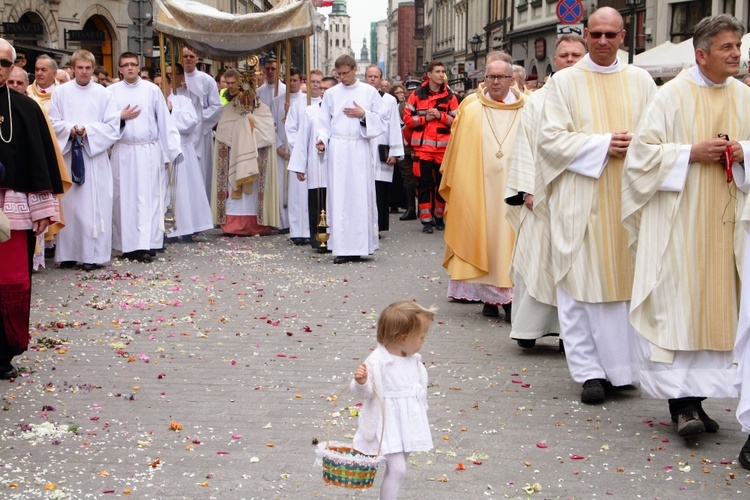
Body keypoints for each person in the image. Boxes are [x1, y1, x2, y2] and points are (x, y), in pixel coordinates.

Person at [623, 14, 750, 437]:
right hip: (678, 225)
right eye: (727, 47)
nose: (736, 54)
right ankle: (683, 405)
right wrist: (688, 153)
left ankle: (700, 401)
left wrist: (742, 150)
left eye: (738, 45)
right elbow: (640, 159)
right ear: (701, 53)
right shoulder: (670, 96)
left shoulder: (745, 96)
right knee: (679, 304)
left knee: (718, 308)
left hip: (727, 226)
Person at [536, 6, 656, 404]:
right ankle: (589, 372)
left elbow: (661, 137)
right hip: (581, 199)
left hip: (629, 199)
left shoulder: (642, 81)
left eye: (612, 35)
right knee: (579, 285)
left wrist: (635, 146)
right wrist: (602, 144)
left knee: (625, 286)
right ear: (585, 34)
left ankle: (622, 371)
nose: (603, 41)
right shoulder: (564, 82)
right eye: (597, 34)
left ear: (624, 37)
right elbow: (549, 140)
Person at [504, 34, 586, 347]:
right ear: (555, 57)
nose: (569, 60)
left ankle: (570, 333)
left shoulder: (591, 96)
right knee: (536, 261)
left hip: (581, 195)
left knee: (575, 268)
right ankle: (528, 328)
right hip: (541, 196)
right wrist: (525, 190)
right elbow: (523, 144)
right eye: (564, 55)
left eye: (576, 55)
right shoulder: (538, 100)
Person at [439, 59, 525, 320]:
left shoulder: (529, 107)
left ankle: (511, 299)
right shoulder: (472, 108)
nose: (496, 82)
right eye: (491, 77)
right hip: (478, 185)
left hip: (516, 185)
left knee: (510, 240)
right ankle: (488, 298)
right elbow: (458, 149)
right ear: (484, 79)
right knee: (481, 235)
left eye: (501, 77)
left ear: (512, 79)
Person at [0, 39, 64, 378]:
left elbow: (40, 161)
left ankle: (3, 353)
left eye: (3, 63)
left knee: (12, 282)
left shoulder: (25, 109)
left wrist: (43, 209)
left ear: (12, 68)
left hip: (13, 209)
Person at [350, 301, 436, 499]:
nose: (423, 341)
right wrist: (362, 382)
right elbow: (364, 393)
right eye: (421, 337)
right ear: (403, 338)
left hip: (405, 424)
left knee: (398, 467)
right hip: (386, 423)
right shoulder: (378, 360)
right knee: (398, 470)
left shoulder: (412, 359)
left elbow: (418, 389)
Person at [48, 49, 121, 271]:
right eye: (80, 68)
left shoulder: (103, 93)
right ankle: (68, 254)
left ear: (93, 69)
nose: (84, 72)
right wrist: (71, 129)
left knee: (94, 208)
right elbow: (52, 122)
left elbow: (112, 126)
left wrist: (87, 130)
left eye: (88, 68)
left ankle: (93, 255)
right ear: (73, 68)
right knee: (70, 207)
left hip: (94, 157)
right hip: (70, 155)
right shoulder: (60, 93)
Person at [108, 52, 182, 262]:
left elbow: (164, 122)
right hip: (123, 150)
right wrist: (119, 117)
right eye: (125, 65)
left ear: (139, 68)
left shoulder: (152, 90)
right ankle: (127, 245)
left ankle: (147, 243)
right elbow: (104, 120)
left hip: (148, 150)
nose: (130, 68)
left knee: (149, 198)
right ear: (120, 69)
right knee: (124, 199)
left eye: (133, 64)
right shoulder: (111, 92)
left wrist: (171, 151)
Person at [316, 54, 387, 264]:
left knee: (359, 196)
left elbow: (382, 120)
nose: (342, 78)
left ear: (355, 69)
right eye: (338, 74)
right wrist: (322, 140)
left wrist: (363, 114)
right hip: (338, 148)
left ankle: (359, 246)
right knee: (339, 197)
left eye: (345, 73)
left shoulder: (369, 92)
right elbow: (323, 123)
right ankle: (340, 247)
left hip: (359, 147)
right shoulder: (331, 94)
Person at [212, 68, 278, 236]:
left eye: (233, 83)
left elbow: (267, 132)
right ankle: (232, 223)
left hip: (256, 159)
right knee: (234, 194)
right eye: (227, 83)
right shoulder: (228, 109)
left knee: (254, 193)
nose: (229, 87)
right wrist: (240, 136)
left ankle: (258, 223)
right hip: (233, 156)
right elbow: (223, 133)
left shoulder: (261, 108)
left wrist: (248, 132)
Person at [403, 61, 458, 234]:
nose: (441, 74)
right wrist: (424, 119)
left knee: (441, 185)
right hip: (423, 150)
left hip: (443, 150)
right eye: (438, 71)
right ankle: (426, 220)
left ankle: (439, 217)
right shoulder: (416, 95)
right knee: (424, 185)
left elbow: (457, 122)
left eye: (443, 71)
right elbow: (407, 119)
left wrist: (441, 116)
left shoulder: (450, 97)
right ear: (429, 75)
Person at [164, 64, 214, 243]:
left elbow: (190, 122)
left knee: (184, 191)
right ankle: (166, 228)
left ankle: (186, 227)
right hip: (161, 153)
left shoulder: (183, 100)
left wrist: (170, 111)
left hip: (182, 149)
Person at [288, 75, 336, 251]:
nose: (323, 92)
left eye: (327, 89)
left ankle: (337, 239)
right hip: (316, 166)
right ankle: (319, 239)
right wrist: (300, 166)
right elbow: (302, 140)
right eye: (321, 89)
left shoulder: (342, 111)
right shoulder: (311, 111)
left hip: (336, 165)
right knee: (317, 201)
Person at [285, 69, 325, 246]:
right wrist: (300, 149)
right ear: (306, 83)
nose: (315, 85)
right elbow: (291, 129)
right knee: (298, 196)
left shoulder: (327, 103)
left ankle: (314, 231)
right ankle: (298, 231)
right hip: (303, 154)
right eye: (313, 81)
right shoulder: (299, 105)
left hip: (320, 156)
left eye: (318, 82)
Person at [365, 65, 404, 234]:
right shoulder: (359, 97)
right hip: (365, 147)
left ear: (381, 79)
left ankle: (378, 226)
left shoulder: (389, 100)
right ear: (365, 78)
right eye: (370, 76)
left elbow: (394, 126)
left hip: (381, 147)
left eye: (376, 76)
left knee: (380, 188)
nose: (373, 79)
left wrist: (395, 152)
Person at [182, 47, 223, 200]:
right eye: (185, 56)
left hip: (202, 133)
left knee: (201, 170)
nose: (188, 59)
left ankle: (203, 203)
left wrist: (197, 121)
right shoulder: (176, 78)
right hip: (181, 133)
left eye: (191, 56)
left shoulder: (206, 80)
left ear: (197, 59)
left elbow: (216, 106)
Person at [272, 68, 305, 238]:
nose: (292, 83)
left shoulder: (305, 101)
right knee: (281, 186)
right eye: (289, 80)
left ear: (301, 81)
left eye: (295, 80)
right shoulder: (277, 101)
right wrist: (279, 148)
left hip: (298, 150)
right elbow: (272, 127)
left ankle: (298, 224)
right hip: (281, 150)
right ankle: (283, 222)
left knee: (296, 189)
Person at [391, 83, 417, 221]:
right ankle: (411, 208)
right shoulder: (403, 106)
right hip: (405, 145)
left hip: (415, 144)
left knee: (419, 179)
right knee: (408, 178)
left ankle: (415, 209)